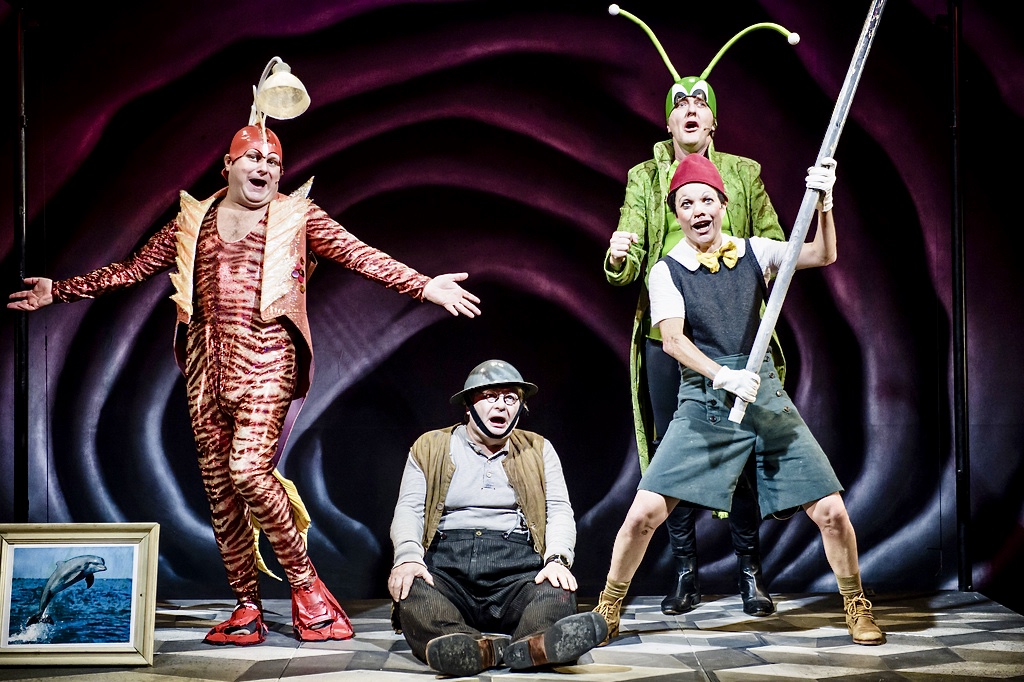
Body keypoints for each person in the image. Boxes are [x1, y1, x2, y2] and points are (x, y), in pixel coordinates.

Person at [8, 120, 482, 646]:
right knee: (220, 492)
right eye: (254, 158)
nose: (265, 168)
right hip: (204, 366)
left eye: (274, 162)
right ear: (228, 166)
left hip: (266, 357)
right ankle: (246, 606)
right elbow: (132, 269)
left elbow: (360, 254)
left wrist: (423, 285)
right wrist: (60, 291)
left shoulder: (296, 216)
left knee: (249, 471)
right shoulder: (194, 221)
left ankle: (305, 585)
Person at [593, 152, 885, 647]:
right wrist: (722, 375)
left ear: (723, 204)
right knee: (643, 515)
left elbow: (821, 254)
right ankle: (608, 607)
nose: (698, 210)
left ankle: (856, 604)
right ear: (677, 213)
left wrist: (825, 204)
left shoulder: (755, 251)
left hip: (763, 396)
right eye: (687, 204)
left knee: (832, 512)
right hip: (705, 400)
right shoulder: (667, 271)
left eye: (707, 200)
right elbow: (673, 342)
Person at [606, 7, 799, 617]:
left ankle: (749, 574)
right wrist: (619, 253)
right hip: (669, 336)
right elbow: (626, 253)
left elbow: (778, 249)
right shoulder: (644, 178)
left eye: (700, 102)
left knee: (741, 449)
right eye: (679, 103)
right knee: (674, 456)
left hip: (734, 335)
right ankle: (686, 573)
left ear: (714, 119)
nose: (690, 109)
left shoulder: (743, 175)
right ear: (667, 119)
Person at [387, 359, 607, 677]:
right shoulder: (430, 445)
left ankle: (532, 645)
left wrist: (557, 559)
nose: (501, 405)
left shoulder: (538, 448)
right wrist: (407, 558)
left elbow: (559, 510)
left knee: (559, 591)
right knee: (412, 591)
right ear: (468, 406)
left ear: (520, 408)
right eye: (490, 396)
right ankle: (474, 647)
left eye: (510, 398)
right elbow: (409, 508)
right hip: (447, 569)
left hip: (516, 571)